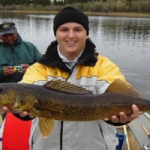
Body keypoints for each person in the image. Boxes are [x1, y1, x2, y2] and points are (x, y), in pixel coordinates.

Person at [2, 7, 141, 150]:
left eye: (78, 29)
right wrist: (22, 114)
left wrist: (118, 121)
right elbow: (26, 94)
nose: (71, 35)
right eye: (64, 30)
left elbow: (119, 97)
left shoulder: (104, 66)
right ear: (56, 34)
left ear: (86, 33)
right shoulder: (39, 68)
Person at [0, 21, 42, 150]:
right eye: (4, 36)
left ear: (16, 32)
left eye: (11, 35)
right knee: (5, 123)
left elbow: (44, 68)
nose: (8, 38)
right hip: (4, 96)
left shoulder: (29, 47)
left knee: (29, 121)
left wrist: (31, 69)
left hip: (30, 96)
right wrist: (1, 72)